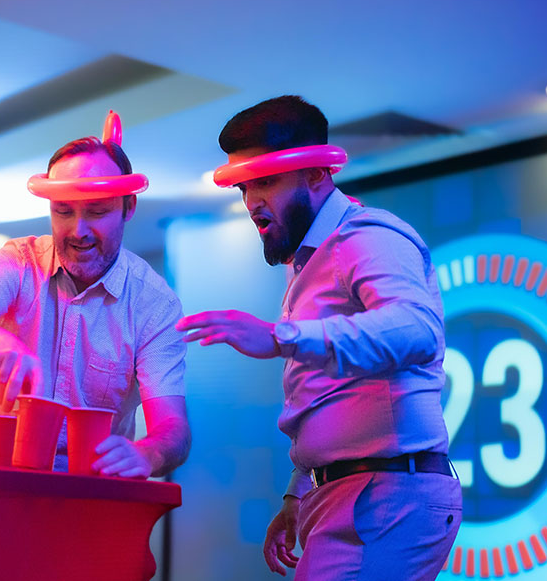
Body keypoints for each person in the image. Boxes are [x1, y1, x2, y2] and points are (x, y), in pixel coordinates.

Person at [177, 95, 461, 579]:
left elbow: (418, 329)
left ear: (316, 174)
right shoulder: (310, 259)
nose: (251, 203)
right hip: (351, 495)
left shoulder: (365, 236)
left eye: (265, 182)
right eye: (244, 188)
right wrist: (299, 494)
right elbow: (331, 395)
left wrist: (280, 337)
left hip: (387, 495)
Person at [0, 112, 190, 478]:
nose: (79, 231)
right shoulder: (17, 262)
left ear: (128, 207)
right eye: (63, 211)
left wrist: (147, 455)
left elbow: (173, 430)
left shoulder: (154, 305)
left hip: (89, 493)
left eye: (97, 211)